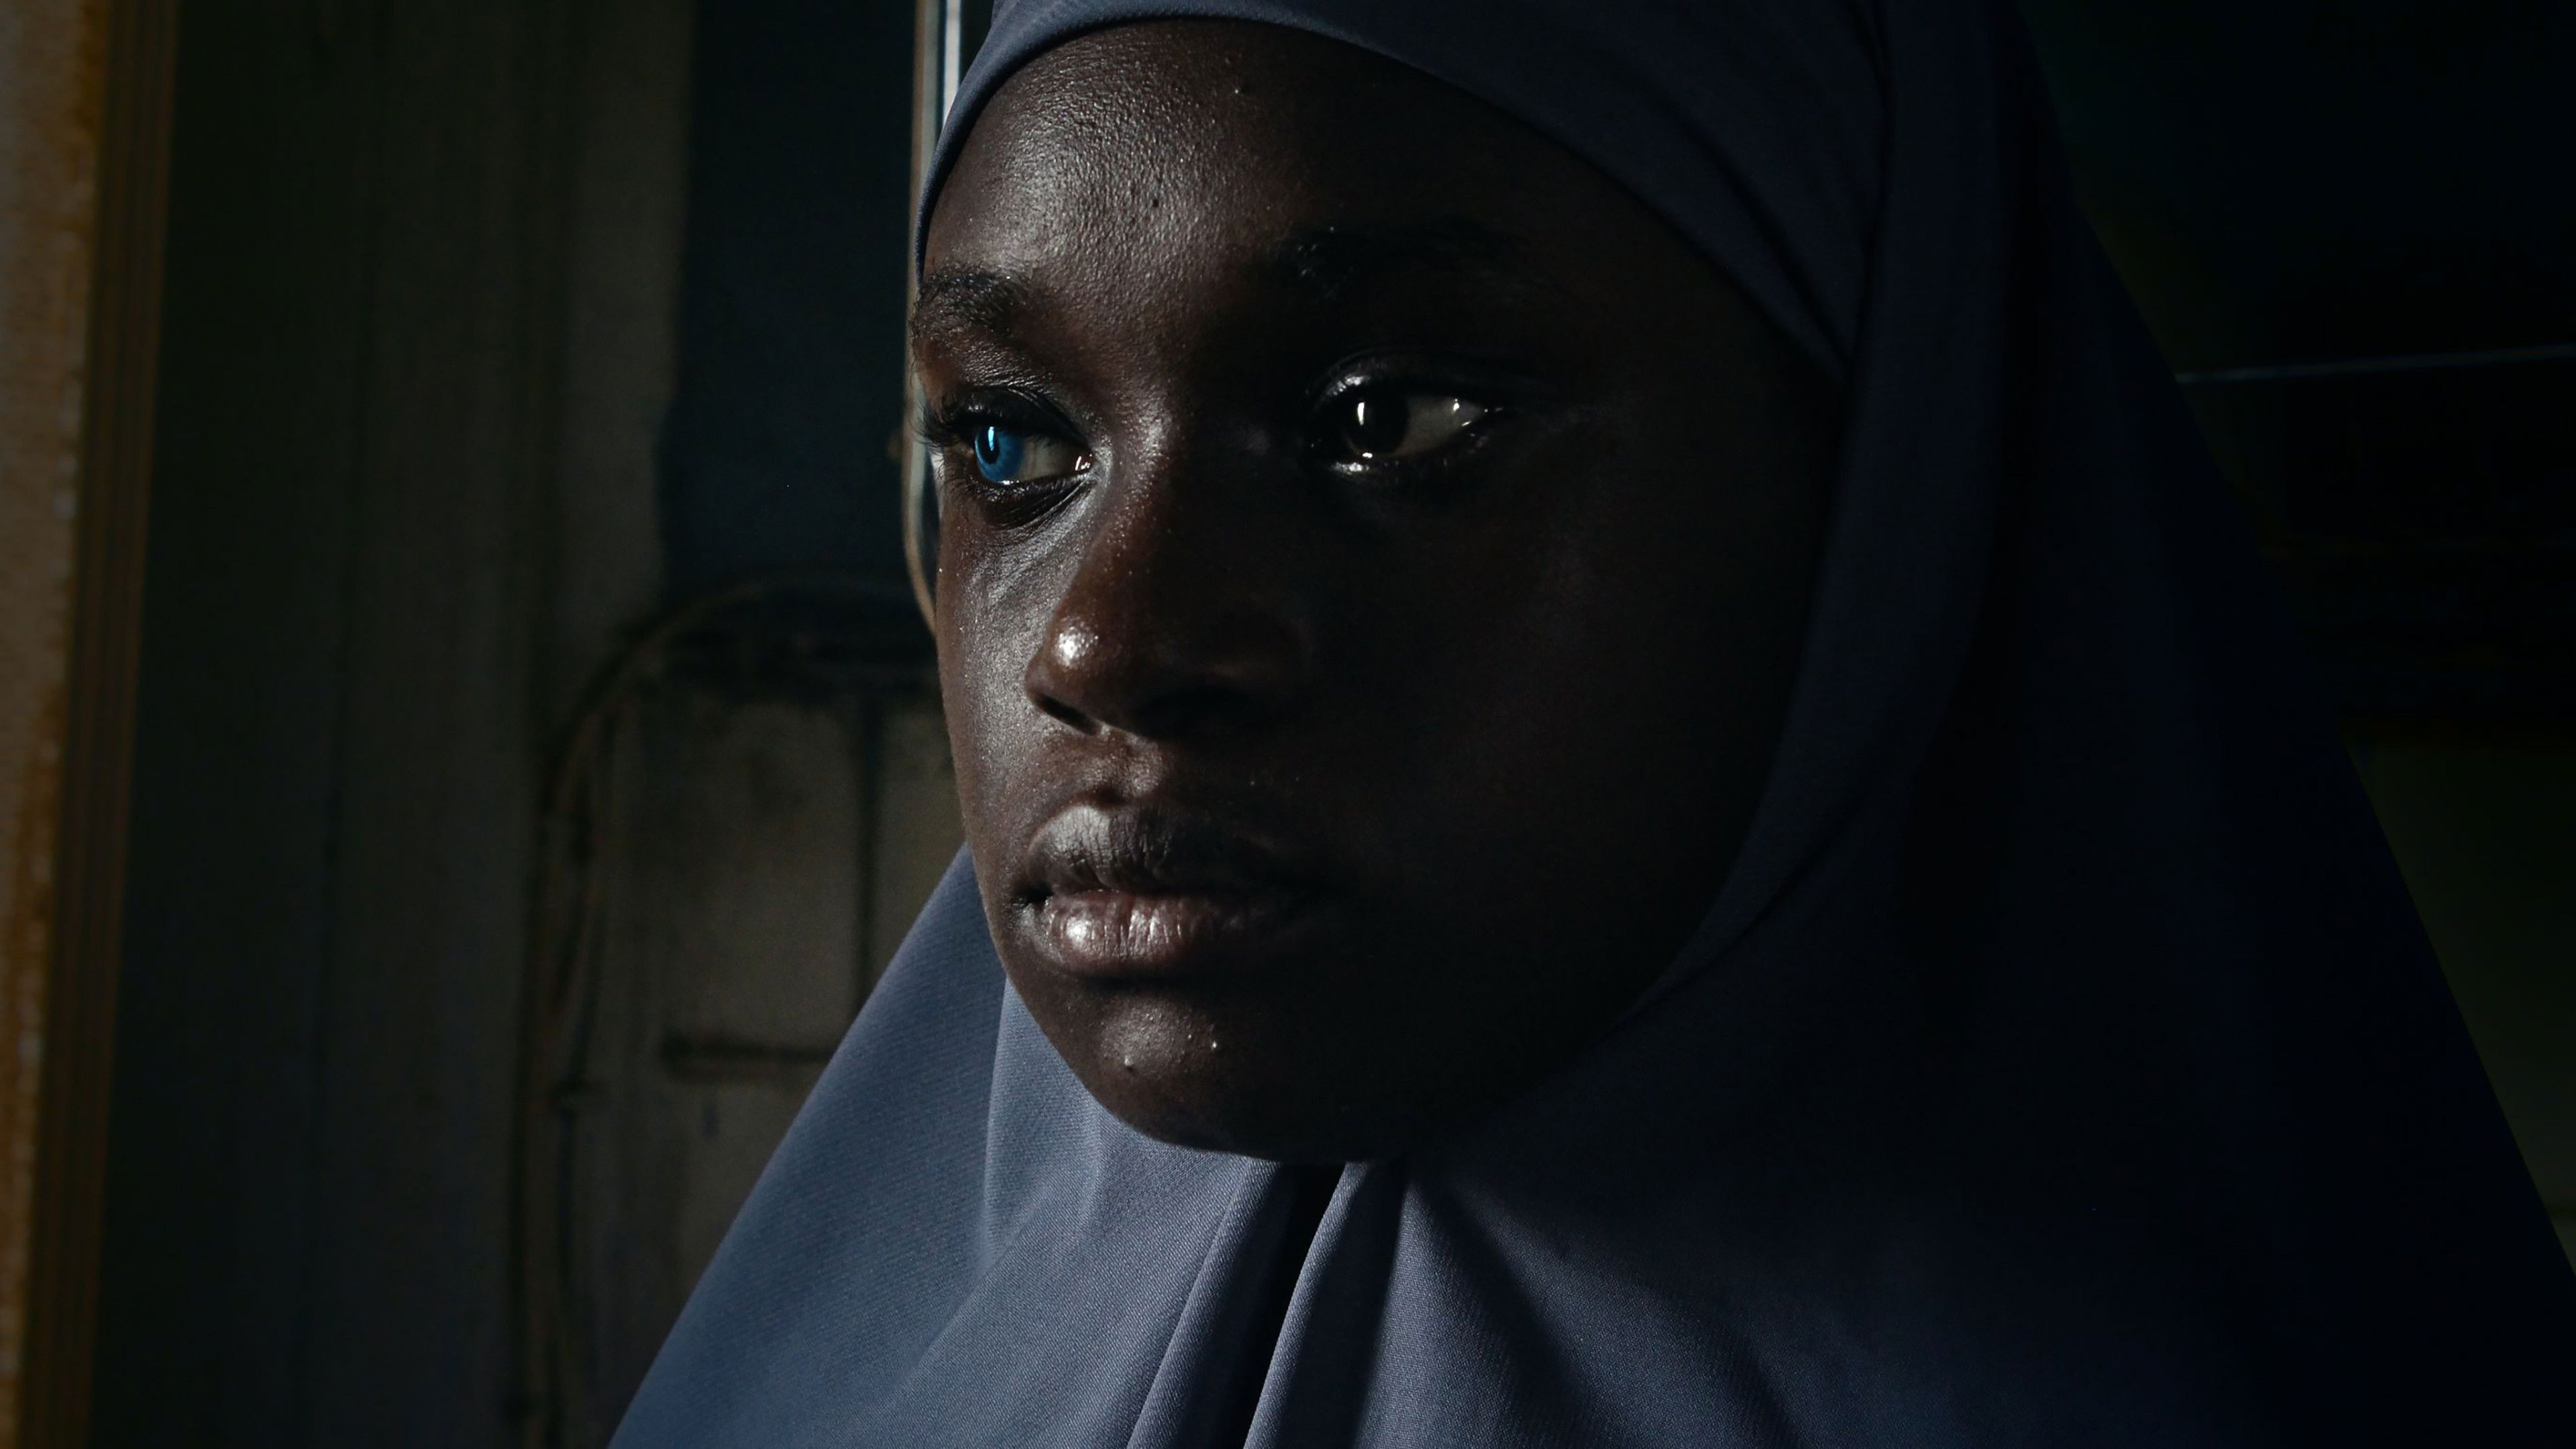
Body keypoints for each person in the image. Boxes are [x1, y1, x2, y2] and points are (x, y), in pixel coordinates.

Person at [614, 2, 2576, 1444]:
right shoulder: (859, 1369)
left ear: (1882, 503)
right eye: (1009, 444)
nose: (1103, 643)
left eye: (1387, 422)